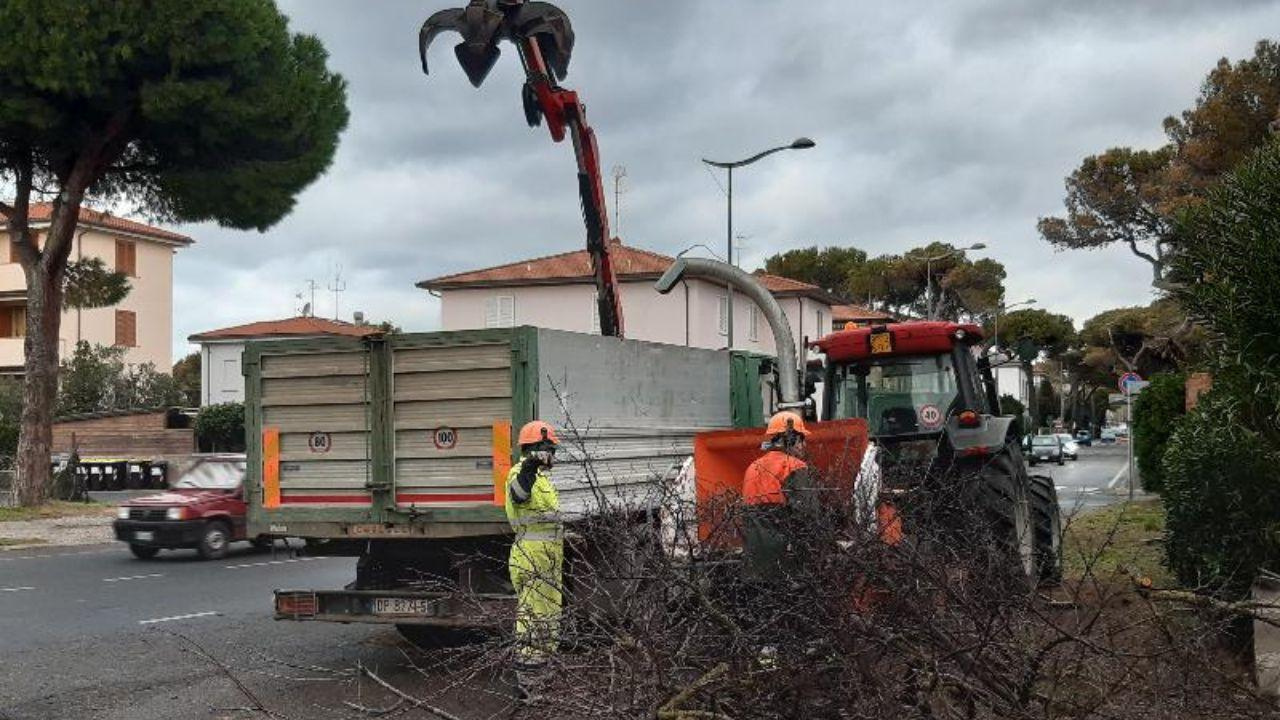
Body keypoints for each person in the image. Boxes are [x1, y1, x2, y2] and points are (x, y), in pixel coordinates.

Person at [505, 419, 564, 701]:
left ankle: (543, 676)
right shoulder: (521, 473)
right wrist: (529, 466)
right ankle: (528, 682)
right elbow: (518, 496)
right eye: (551, 448)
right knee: (532, 618)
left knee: (549, 615)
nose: (554, 455)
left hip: (549, 558)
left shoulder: (543, 480)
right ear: (538, 449)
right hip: (532, 559)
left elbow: (546, 518)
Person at [740, 411, 816, 581]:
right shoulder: (794, 467)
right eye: (802, 439)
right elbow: (808, 515)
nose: (804, 446)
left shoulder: (753, 467)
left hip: (753, 566)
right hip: (785, 568)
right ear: (792, 439)